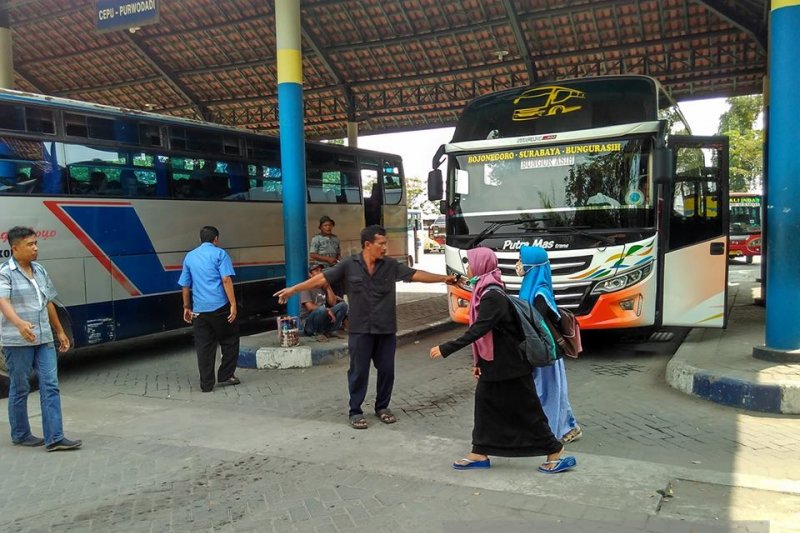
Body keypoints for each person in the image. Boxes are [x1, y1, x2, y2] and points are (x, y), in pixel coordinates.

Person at [275, 225, 456, 430]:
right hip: (360, 330)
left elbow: (415, 274)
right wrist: (293, 290)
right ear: (368, 245)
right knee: (359, 371)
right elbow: (321, 278)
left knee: (387, 370)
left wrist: (444, 278)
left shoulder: (390, 265)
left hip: (386, 329)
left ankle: (382, 407)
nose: (385, 247)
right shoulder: (348, 265)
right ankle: (355, 411)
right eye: (381, 243)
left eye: (385, 243)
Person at [429, 247, 576, 474]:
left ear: (481, 265)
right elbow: (488, 335)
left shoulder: (492, 295)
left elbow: (479, 330)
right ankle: (480, 451)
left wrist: (446, 348)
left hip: (511, 365)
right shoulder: (485, 290)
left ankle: (555, 451)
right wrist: (478, 363)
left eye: (470, 264)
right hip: (496, 364)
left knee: (527, 409)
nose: (468, 268)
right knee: (486, 407)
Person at [0, 226, 82, 451]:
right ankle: (20, 433)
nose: (35, 248)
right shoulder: (5, 272)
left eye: (36, 243)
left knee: (50, 385)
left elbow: (48, 302)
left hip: (44, 338)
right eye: (30, 244)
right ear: (15, 248)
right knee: (20, 386)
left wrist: (59, 331)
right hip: (17, 341)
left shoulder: (40, 270)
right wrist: (19, 323)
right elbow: (2, 301)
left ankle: (54, 437)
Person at [517, 245, 582, 444]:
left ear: (533, 264)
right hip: (536, 350)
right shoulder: (530, 286)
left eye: (521, 260)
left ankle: (560, 430)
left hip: (546, 352)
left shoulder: (540, 294)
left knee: (550, 392)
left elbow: (538, 321)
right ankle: (563, 426)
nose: (518, 265)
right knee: (544, 391)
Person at [178, 226, 241, 393]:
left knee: (204, 346)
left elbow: (185, 285)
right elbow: (226, 279)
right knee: (230, 338)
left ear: (200, 239)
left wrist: (186, 307)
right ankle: (226, 375)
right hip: (220, 307)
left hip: (199, 310)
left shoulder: (190, 257)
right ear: (216, 239)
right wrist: (233, 304)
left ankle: (206, 384)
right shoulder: (220, 254)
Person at [300, 264, 348, 341]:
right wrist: (327, 309)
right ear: (310, 274)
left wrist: (328, 287)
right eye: (316, 271)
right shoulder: (306, 287)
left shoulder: (322, 286)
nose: (320, 273)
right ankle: (318, 333)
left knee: (343, 305)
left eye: (320, 271)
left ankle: (331, 330)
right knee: (321, 309)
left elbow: (333, 303)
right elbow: (310, 307)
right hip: (309, 325)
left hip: (323, 320)